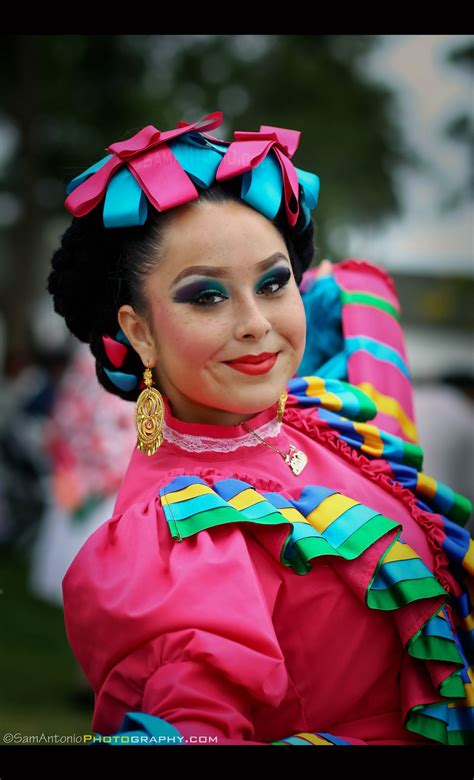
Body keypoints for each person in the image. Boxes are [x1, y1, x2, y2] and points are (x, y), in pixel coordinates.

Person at [48, 111, 473, 747]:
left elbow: (354, 321)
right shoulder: (185, 534)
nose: (255, 323)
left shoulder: (319, 416)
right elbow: (195, 722)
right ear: (139, 332)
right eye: (207, 296)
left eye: (274, 283)